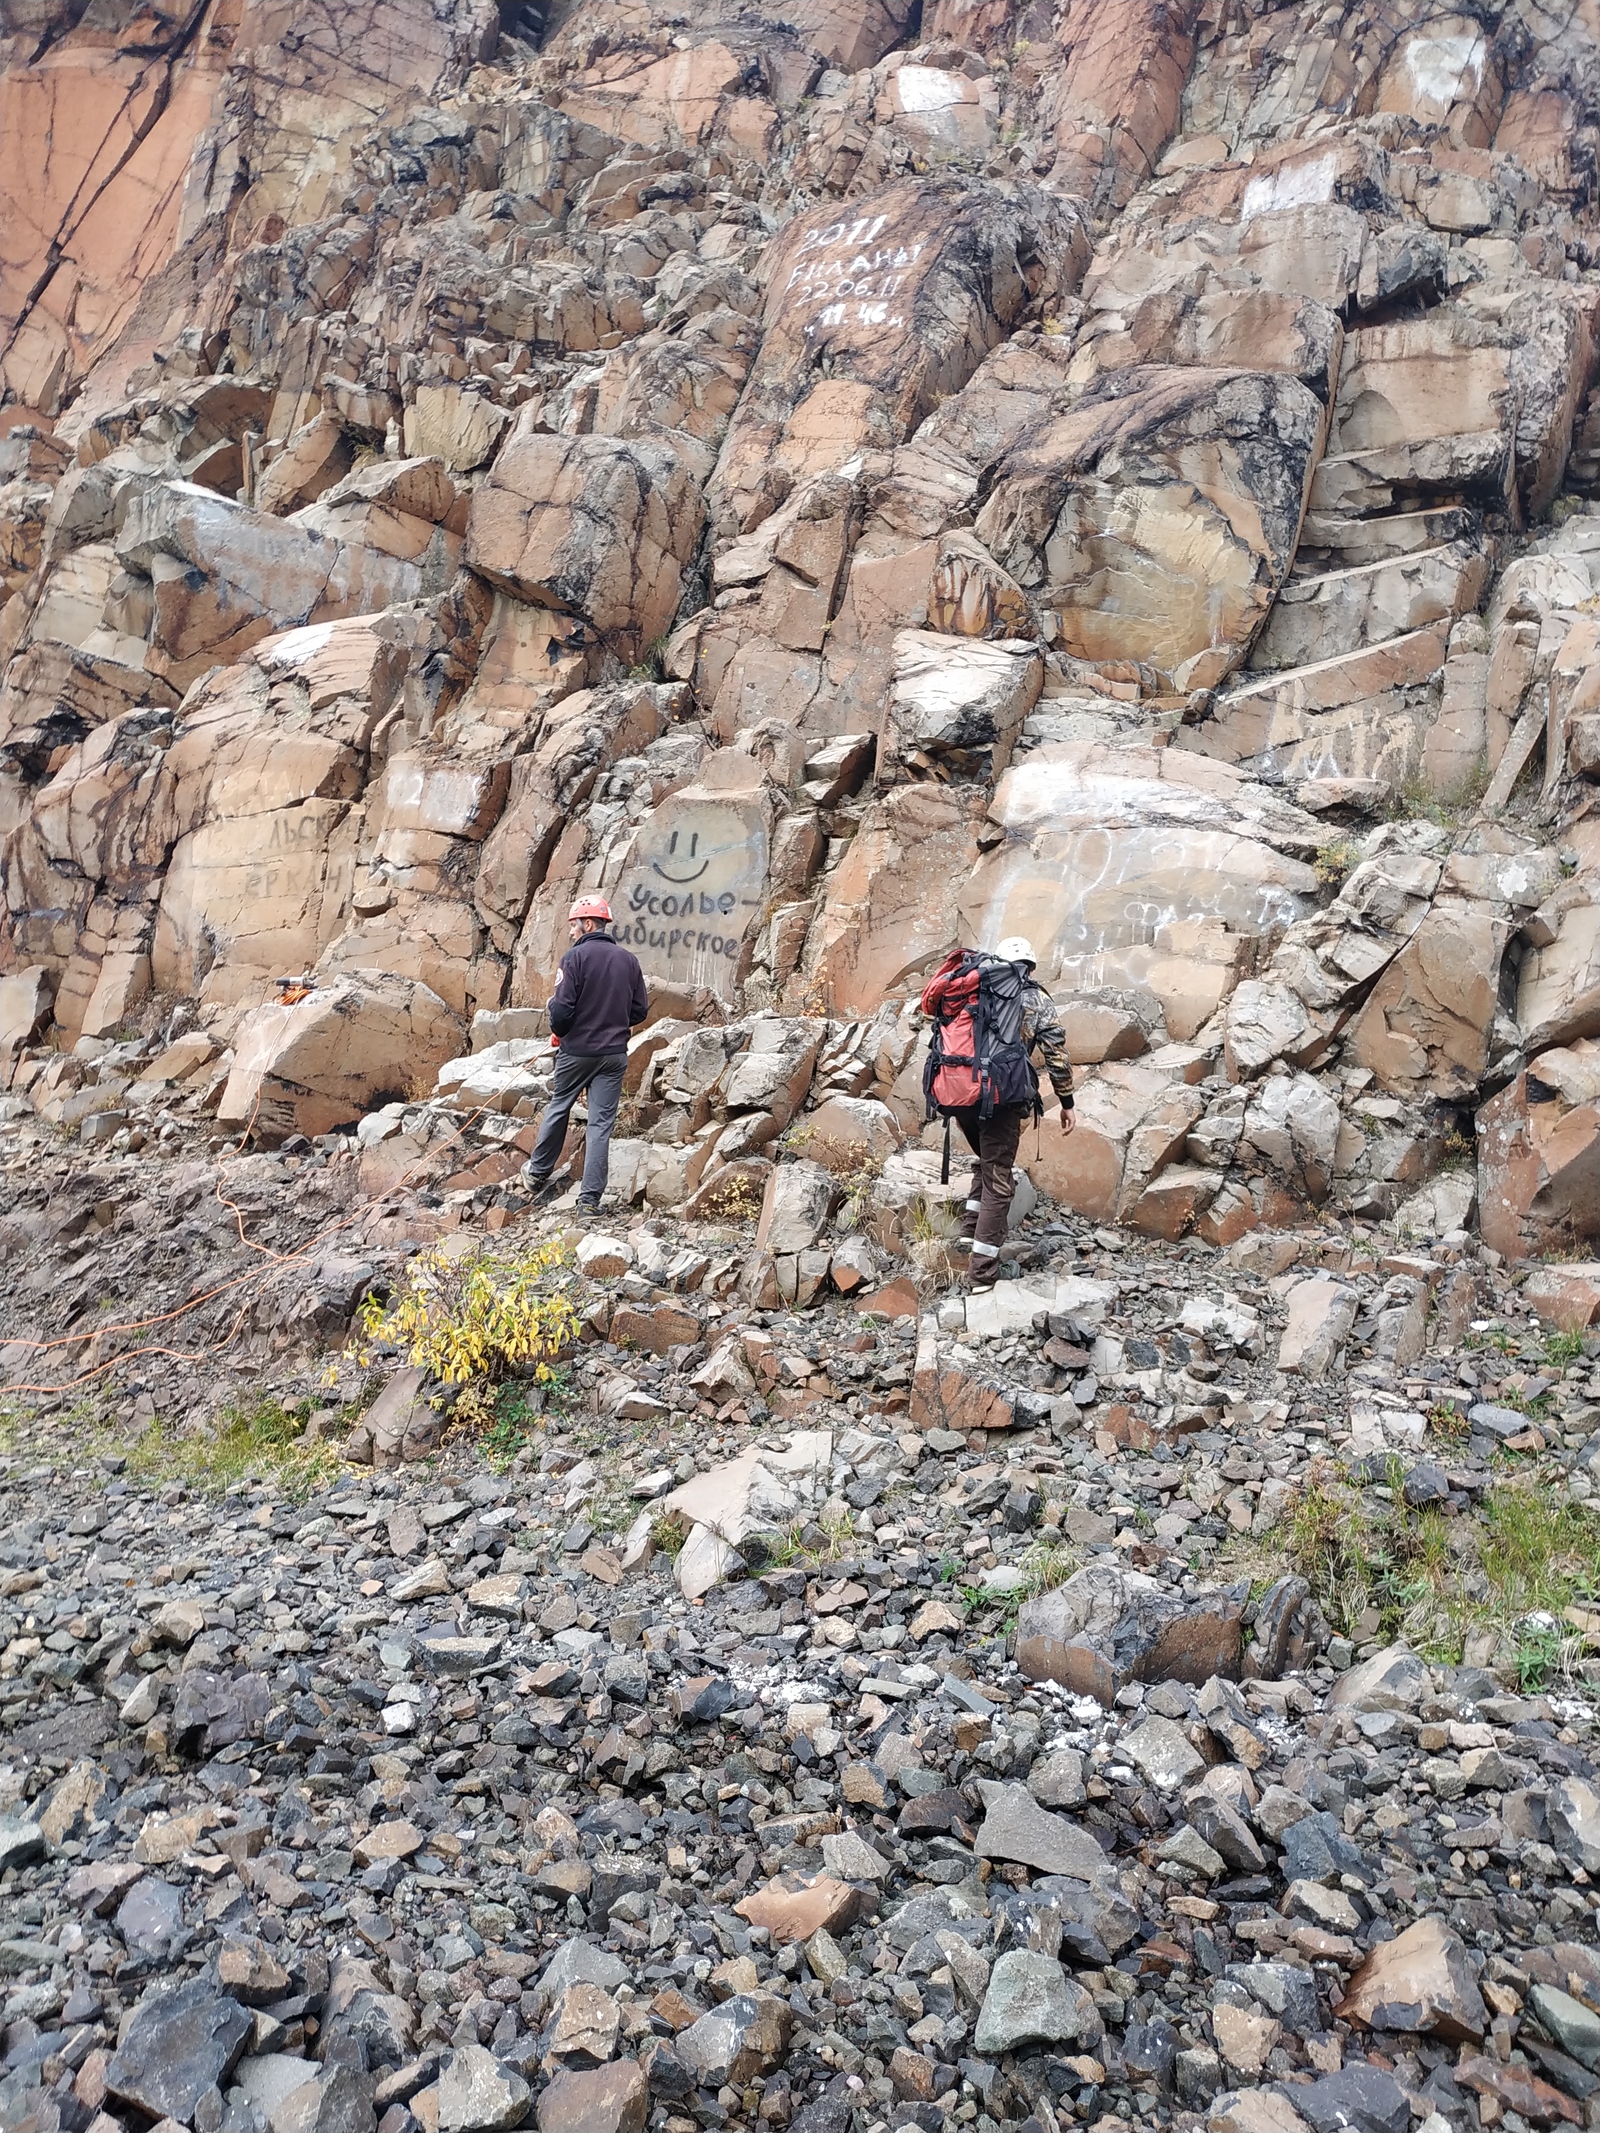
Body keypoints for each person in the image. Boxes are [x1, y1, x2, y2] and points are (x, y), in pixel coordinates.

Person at [920, 936, 1075, 1291]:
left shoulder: (970, 989)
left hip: (959, 1093)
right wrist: (1066, 1102)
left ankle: (968, 1237)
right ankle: (982, 1274)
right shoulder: (1031, 996)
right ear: (1029, 967)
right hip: (1002, 1098)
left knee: (986, 1161)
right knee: (999, 1179)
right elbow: (1056, 1053)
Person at [523, 895, 648, 1214]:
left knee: (559, 1106)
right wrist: (612, 1020)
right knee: (600, 1125)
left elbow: (562, 1012)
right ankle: (589, 1201)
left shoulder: (573, 959)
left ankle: (537, 1174)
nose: (572, 932)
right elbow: (639, 1011)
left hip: (576, 1052)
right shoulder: (628, 961)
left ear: (588, 923)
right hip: (613, 1055)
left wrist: (560, 1028)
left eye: (574, 926)